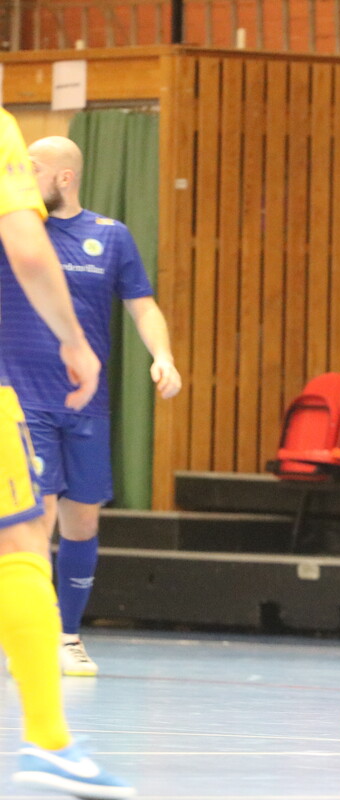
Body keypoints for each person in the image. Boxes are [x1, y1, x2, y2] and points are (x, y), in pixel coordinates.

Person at [0, 136, 181, 679]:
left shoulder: (112, 235)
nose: (22, 177)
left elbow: (143, 307)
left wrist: (163, 357)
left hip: (86, 404)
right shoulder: (14, 230)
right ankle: (28, 634)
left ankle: (67, 636)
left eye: (33, 169)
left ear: (64, 177)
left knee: (81, 522)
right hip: (23, 399)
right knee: (36, 517)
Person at [0, 112, 135, 797]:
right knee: (22, 538)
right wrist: (75, 340)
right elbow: (27, 248)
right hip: (17, 389)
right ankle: (50, 743)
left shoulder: (112, 236)